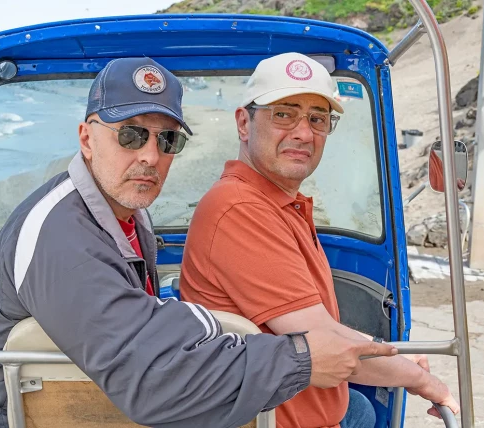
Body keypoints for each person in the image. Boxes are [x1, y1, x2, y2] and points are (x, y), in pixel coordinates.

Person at [0, 57, 397, 428]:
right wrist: (300, 359)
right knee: (355, 413)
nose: (150, 156)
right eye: (131, 135)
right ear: (86, 139)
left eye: (167, 140)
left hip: (92, 405)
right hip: (1, 417)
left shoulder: (128, 216)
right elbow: (152, 378)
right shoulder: (61, 235)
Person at [179, 53, 460, 428]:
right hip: (279, 421)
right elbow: (323, 339)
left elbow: (318, 326)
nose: (303, 132)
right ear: (243, 123)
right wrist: (425, 382)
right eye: (284, 113)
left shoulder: (279, 203)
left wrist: (394, 355)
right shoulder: (239, 208)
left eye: (317, 118)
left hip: (322, 407)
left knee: (359, 410)